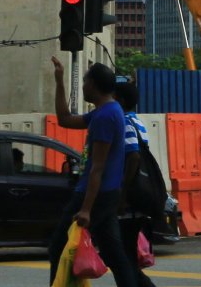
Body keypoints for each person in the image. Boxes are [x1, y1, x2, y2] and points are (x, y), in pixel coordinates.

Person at [47, 56, 137, 287]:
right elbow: (65, 120)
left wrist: (86, 209)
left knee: (58, 246)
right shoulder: (105, 111)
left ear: (94, 85)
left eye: (85, 81)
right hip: (107, 193)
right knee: (114, 253)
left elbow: (98, 166)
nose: (83, 85)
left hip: (94, 194)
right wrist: (59, 81)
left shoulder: (106, 116)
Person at [115, 81, 156, 287]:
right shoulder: (137, 121)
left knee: (123, 257)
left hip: (129, 205)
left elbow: (133, 158)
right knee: (126, 258)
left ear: (120, 100)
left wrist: (122, 196)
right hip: (135, 202)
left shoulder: (125, 122)